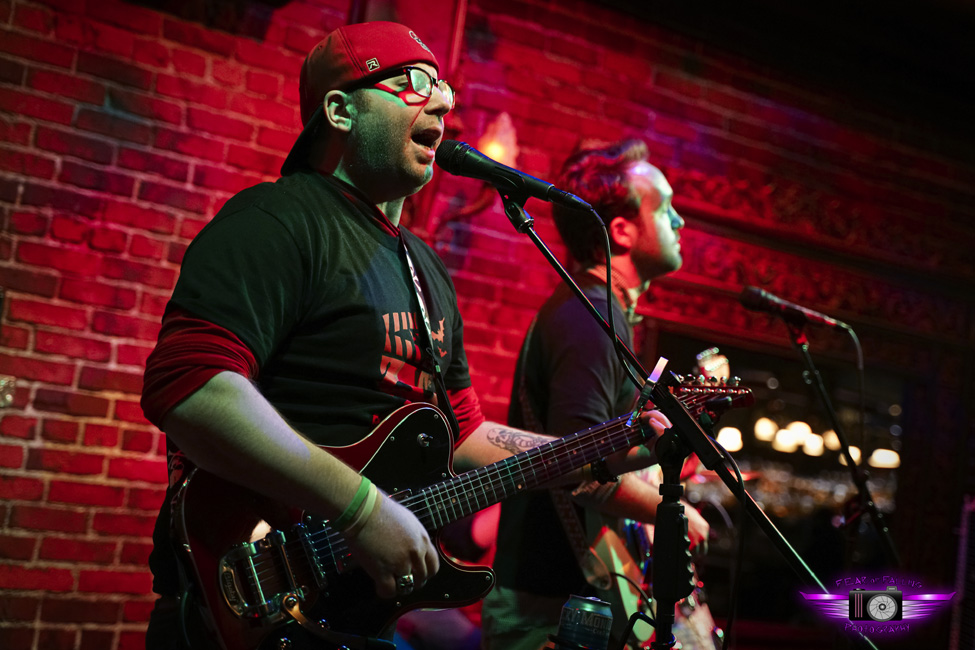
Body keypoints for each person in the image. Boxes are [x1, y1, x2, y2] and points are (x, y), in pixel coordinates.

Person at [139, 23, 669, 650]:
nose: (443, 101)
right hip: (257, 585)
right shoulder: (276, 221)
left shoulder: (427, 273)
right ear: (340, 110)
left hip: (357, 609)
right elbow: (190, 387)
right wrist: (361, 509)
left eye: (442, 86)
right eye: (415, 83)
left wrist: (603, 451)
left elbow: (466, 434)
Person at [481, 140, 711, 650]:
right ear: (622, 231)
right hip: (548, 609)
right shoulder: (591, 317)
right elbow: (582, 471)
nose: (680, 223)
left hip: (565, 601)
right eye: (666, 208)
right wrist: (674, 512)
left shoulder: (604, 313)